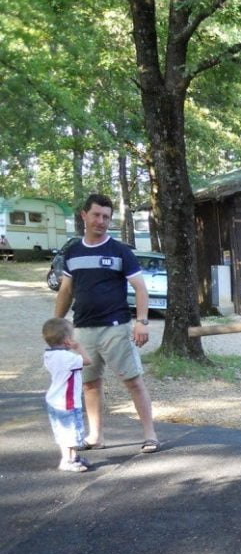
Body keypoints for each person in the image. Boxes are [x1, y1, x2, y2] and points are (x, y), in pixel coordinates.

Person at [54, 193, 159, 453]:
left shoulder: (120, 251)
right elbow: (66, 291)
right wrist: (57, 325)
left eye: (106, 217)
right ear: (84, 216)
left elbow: (140, 288)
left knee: (133, 381)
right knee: (90, 384)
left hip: (116, 328)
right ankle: (95, 437)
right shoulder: (73, 251)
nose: (101, 221)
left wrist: (142, 322)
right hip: (82, 330)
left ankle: (150, 435)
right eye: (96, 215)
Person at [42, 317, 93, 472]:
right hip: (68, 402)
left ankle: (72, 457)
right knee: (72, 432)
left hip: (54, 400)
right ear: (66, 339)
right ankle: (67, 460)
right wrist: (78, 347)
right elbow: (88, 360)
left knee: (63, 432)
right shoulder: (68, 358)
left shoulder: (48, 355)